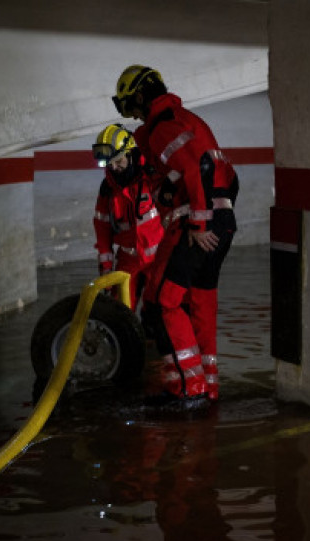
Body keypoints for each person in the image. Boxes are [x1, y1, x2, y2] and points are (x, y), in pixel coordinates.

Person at [112, 65, 239, 403]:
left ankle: (186, 388)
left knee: (160, 303)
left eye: (130, 105)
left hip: (195, 227)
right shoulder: (189, 121)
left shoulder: (162, 128)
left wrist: (199, 224)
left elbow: (198, 168)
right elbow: (227, 176)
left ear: (140, 97)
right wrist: (217, 218)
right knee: (201, 302)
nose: (133, 114)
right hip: (222, 223)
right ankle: (207, 385)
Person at [91, 123, 164, 310]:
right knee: (120, 312)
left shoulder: (152, 177)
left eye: (118, 161)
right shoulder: (108, 189)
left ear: (130, 154)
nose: (114, 167)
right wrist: (106, 268)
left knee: (160, 312)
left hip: (159, 259)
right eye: (109, 164)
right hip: (127, 261)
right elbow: (102, 230)